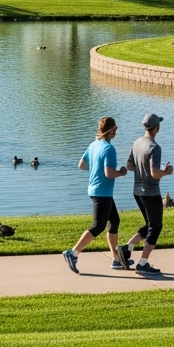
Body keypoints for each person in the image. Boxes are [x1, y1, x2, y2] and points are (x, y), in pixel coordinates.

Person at [63, 117, 130, 274]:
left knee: (114, 220)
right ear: (111, 130)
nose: (117, 131)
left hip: (95, 189)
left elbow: (82, 165)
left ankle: (115, 259)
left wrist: (96, 169)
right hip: (102, 192)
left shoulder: (94, 145)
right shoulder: (108, 149)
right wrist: (121, 172)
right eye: (116, 128)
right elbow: (109, 173)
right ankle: (72, 253)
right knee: (98, 226)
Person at [124, 113, 174, 275]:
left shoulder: (137, 142)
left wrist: (141, 167)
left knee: (149, 225)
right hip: (151, 192)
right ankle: (143, 263)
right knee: (156, 227)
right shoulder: (154, 147)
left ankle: (127, 248)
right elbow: (154, 173)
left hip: (137, 191)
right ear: (157, 128)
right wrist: (166, 172)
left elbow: (130, 166)